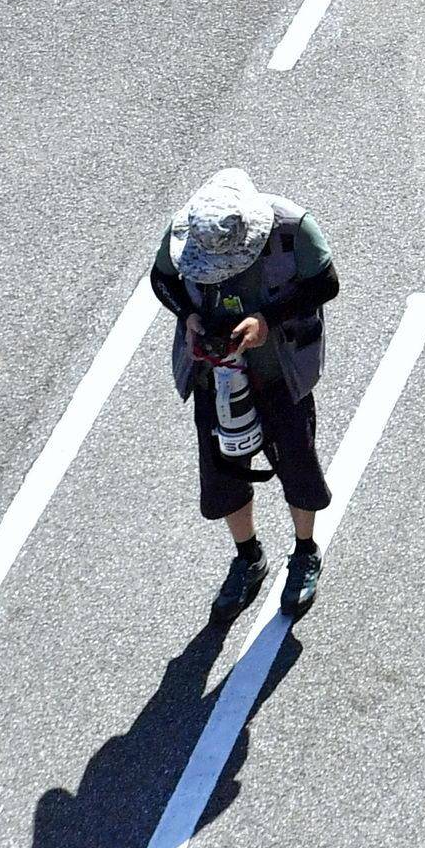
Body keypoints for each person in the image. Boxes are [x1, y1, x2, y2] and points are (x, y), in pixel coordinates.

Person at [151, 172, 340, 625]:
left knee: (297, 465)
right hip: (214, 379)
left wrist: (266, 320)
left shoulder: (293, 228)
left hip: (280, 375)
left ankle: (305, 552)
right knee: (223, 473)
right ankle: (248, 557)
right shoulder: (185, 232)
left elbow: (326, 284)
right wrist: (190, 316)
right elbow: (161, 280)